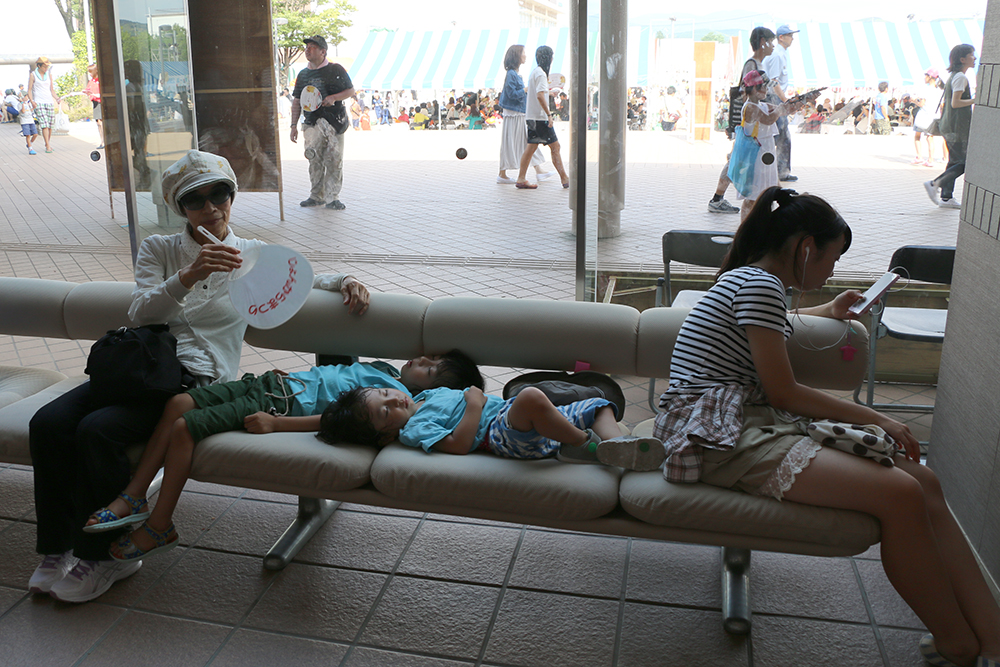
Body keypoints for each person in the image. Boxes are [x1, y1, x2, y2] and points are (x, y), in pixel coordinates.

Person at [654, 186, 1000, 667]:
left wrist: (828, 311)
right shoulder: (759, 286)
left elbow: (768, 334)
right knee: (902, 493)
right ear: (806, 248)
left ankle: (993, 636)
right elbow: (785, 393)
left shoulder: (752, 282)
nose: (832, 270)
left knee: (924, 482)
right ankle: (958, 643)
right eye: (833, 258)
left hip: (738, 420)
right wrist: (878, 417)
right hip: (714, 431)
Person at [27, 150, 370, 603]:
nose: (210, 208)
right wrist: (188, 275)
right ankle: (57, 548)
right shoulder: (160, 249)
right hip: (141, 369)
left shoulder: (252, 256)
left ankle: (106, 557)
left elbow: (301, 277)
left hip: (196, 382)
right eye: (195, 199)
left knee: (98, 429)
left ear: (232, 197)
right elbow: (142, 312)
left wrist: (344, 279)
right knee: (47, 423)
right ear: (180, 207)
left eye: (219, 194)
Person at [85, 352, 483, 561]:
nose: (423, 362)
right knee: (177, 404)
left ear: (430, 391)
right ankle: (135, 495)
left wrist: (278, 424)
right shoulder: (384, 375)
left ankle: (160, 525)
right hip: (272, 381)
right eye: (430, 358)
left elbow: (336, 418)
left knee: (185, 427)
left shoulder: (395, 405)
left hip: (280, 402)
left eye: (432, 371)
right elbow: (330, 378)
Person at [318, 385, 665, 472]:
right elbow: (458, 444)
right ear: (385, 435)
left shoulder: (425, 396)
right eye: (385, 411)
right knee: (530, 397)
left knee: (598, 404)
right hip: (499, 435)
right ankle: (582, 446)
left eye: (385, 393)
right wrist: (474, 404)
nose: (395, 400)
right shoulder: (413, 430)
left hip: (513, 418)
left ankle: (620, 448)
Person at [708, 26, 776, 214]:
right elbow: (746, 94)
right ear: (763, 42)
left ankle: (718, 198)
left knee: (736, 161)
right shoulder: (752, 65)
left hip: (751, 125)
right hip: (746, 125)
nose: (773, 46)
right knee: (735, 161)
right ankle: (717, 199)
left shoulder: (758, 65)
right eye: (771, 42)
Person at [290, 34, 355, 211]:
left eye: (312, 47)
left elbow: (350, 91)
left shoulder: (336, 70)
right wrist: (293, 125)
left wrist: (334, 97)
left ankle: (332, 197)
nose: (307, 50)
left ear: (323, 51)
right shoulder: (303, 74)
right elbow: (297, 100)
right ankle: (316, 195)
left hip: (334, 122)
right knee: (313, 159)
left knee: (334, 160)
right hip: (311, 123)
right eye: (307, 48)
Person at [728, 70, 789, 220]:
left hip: (764, 153)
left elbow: (780, 110)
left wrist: (793, 104)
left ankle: (760, 223)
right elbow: (768, 119)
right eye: (764, 86)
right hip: (756, 155)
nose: (767, 90)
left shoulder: (760, 104)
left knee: (768, 189)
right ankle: (746, 226)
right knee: (753, 195)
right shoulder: (750, 107)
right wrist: (780, 110)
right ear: (755, 89)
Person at [924, 45, 976, 210]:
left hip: (950, 125)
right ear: (962, 59)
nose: (974, 58)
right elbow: (956, 103)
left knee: (954, 161)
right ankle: (935, 184)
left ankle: (946, 197)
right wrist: (976, 100)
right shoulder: (961, 77)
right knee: (963, 162)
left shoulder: (954, 76)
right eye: (972, 55)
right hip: (956, 127)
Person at [496, 45, 555, 185]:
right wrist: (525, 89)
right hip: (514, 114)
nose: (525, 55)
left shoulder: (513, 73)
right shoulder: (512, 74)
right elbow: (512, 94)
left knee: (525, 142)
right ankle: (503, 173)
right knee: (519, 142)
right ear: (516, 56)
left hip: (517, 113)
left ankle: (538, 170)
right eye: (523, 53)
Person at [515, 46, 570, 190]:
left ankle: (521, 178)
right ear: (548, 58)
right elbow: (539, 95)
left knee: (531, 147)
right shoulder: (541, 74)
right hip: (540, 118)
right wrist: (549, 115)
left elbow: (538, 93)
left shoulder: (535, 72)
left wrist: (549, 94)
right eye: (551, 56)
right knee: (555, 147)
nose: (552, 59)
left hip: (532, 117)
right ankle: (565, 178)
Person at [763, 25, 798, 181]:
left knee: (775, 136)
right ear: (781, 37)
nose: (792, 38)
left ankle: (776, 170)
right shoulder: (777, 55)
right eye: (789, 35)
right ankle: (781, 172)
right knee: (782, 137)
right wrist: (785, 101)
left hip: (773, 98)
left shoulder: (780, 54)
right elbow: (774, 82)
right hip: (774, 98)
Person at [913, 69, 946, 167]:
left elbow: (921, 104)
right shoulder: (939, 91)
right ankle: (931, 159)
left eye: (926, 76)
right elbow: (941, 106)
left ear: (929, 77)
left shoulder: (925, 89)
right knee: (930, 138)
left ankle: (919, 157)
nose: (924, 78)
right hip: (934, 117)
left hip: (923, 116)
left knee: (917, 136)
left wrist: (914, 100)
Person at [27, 56, 60, 153]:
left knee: (50, 125)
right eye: (44, 67)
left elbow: (52, 90)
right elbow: (29, 90)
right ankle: (48, 146)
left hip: (49, 101)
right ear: (39, 66)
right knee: (44, 125)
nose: (46, 68)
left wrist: (57, 98)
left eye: (47, 67)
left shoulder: (49, 75)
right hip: (39, 102)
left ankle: (47, 143)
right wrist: (32, 101)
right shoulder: (33, 75)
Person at [85, 64, 104, 149]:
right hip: (95, 103)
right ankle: (102, 140)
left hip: (100, 102)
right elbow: (88, 89)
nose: (90, 74)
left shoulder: (100, 80)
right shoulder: (91, 81)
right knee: (98, 122)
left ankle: (104, 141)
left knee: (101, 122)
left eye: (91, 72)